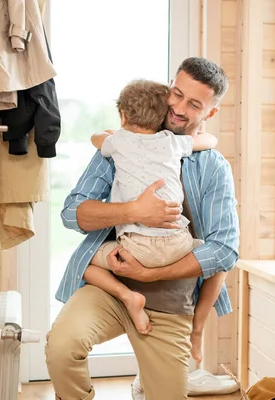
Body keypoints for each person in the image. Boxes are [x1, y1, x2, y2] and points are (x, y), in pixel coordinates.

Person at [45, 57, 239, 400]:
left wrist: (151, 276)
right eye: (175, 94)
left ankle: (145, 382)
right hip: (111, 289)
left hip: (171, 304)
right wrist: (134, 210)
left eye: (193, 104)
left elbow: (224, 250)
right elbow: (72, 212)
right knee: (61, 347)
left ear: (210, 114)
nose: (178, 108)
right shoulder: (123, 145)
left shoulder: (213, 168)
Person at [84, 78, 219, 362]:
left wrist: (108, 134)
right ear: (163, 115)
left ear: (122, 115)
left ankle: (127, 296)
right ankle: (198, 329)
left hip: (136, 250)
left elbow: (96, 138)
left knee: (86, 260)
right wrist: (207, 137)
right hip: (177, 245)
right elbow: (207, 140)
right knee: (219, 259)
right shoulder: (171, 142)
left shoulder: (117, 142)